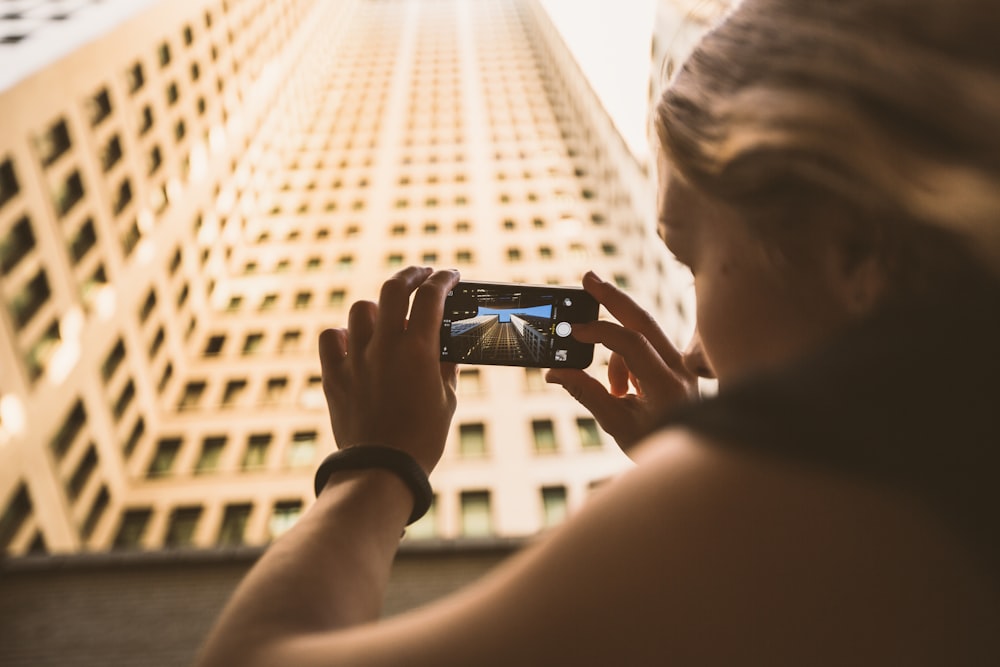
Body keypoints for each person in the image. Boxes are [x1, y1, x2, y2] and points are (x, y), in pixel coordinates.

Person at [195, 0, 1000, 664]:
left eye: (692, 261)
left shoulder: (858, 474)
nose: (695, 351)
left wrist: (378, 463)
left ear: (852, 243)